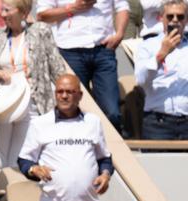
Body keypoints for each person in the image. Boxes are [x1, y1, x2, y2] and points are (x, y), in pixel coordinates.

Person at [0, 0, 66, 183]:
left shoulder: (40, 31)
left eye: (7, 10)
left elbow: (57, 68)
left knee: (20, 160)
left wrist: (65, 99)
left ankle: (16, 198)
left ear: (23, 12)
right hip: (1, 103)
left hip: (31, 104)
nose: (3, 14)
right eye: (2, 10)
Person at [18, 73, 113, 201]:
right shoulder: (39, 123)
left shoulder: (93, 122)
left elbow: (104, 158)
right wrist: (33, 169)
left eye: (69, 92)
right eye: (60, 91)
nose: (64, 96)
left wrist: (106, 175)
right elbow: (24, 160)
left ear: (80, 95)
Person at [35, 0, 128, 130]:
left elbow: (122, 7)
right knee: (72, 110)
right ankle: (77, 142)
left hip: (103, 49)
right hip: (70, 51)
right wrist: (73, 8)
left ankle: (109, 142)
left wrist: (119, 34)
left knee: (112, 112)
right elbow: (42, 15)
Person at [135, 0, 188, 139]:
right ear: (161, 18)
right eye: (170, 16)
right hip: (157, 122)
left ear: (186, 20)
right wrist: (161, 55)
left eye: (180, 16)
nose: (175, 20)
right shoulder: (147, 46)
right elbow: (140, 80)